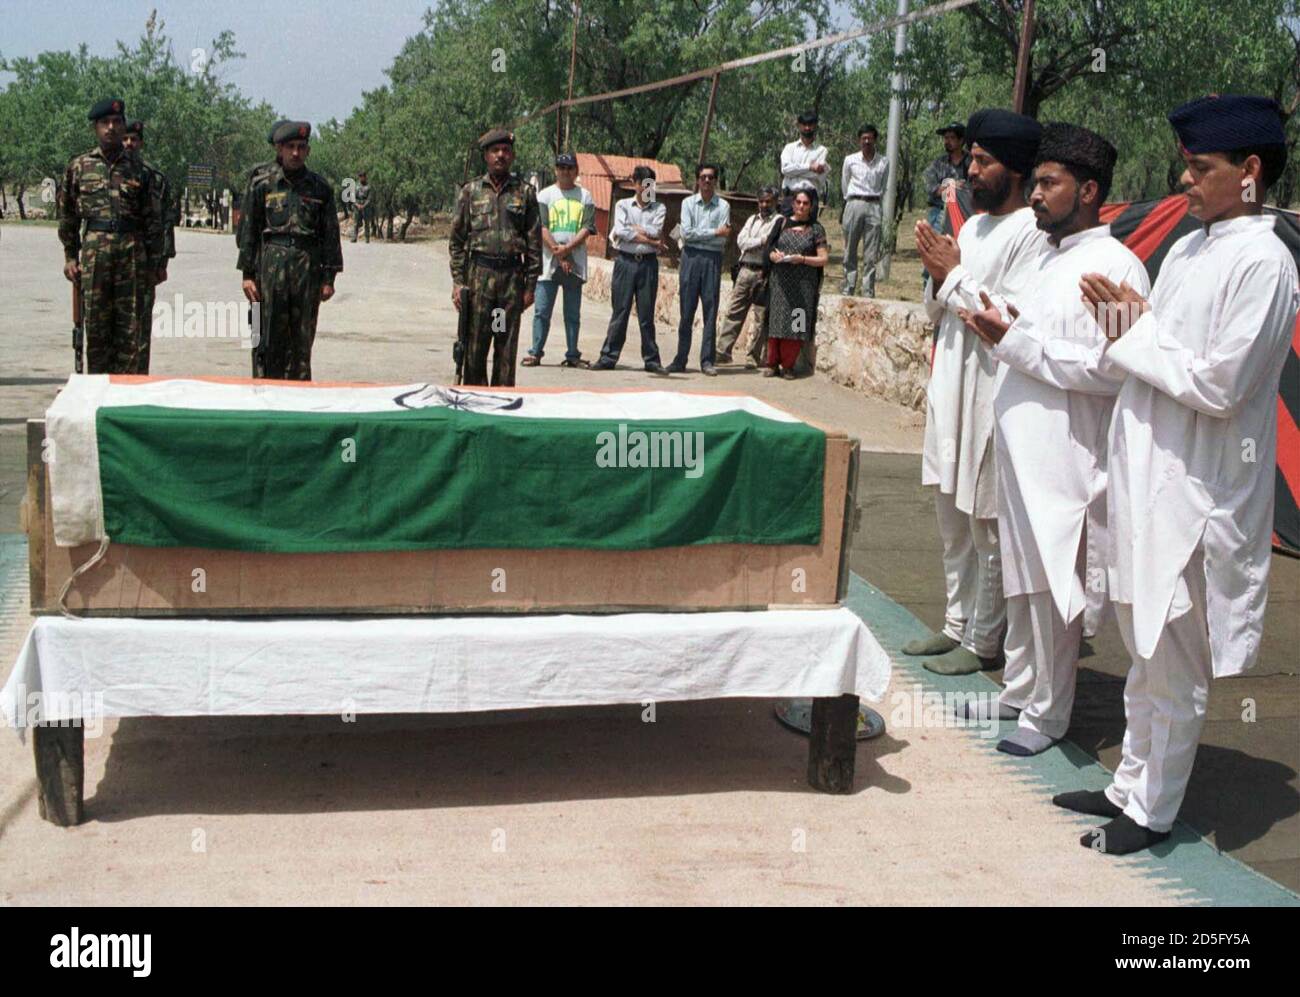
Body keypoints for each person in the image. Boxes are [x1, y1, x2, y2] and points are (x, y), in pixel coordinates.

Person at [1053, 95, 1299, 855]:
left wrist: (1135, 330)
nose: (1184, 182)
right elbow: (1153, 354)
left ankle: (1153, 809)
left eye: (1201, 168)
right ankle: (1129, 780)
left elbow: (1221, 386)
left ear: (1250, 171)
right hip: (1148, 479)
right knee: (1144, 650)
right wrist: (1131, 334)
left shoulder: (1266, 262)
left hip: (1199, 491)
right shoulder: (1193, 247)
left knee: (1177, 655)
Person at [958, 123, 1149, 756]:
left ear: (1089, 190)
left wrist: (1012, 341)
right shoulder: (1048, 257)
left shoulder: (1118, 267)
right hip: (1021, 444)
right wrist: (1002, 325)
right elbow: (1033, 337)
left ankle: (1049, 714)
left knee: (1055, 585)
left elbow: (1112, 370)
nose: (1035, 195)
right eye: (1034, 182)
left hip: (1069, 454)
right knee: (1022, 576)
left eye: (1049, 183)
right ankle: (1017, 690)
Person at [910, 108, 1046, 675]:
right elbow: (936, 305)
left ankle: (985, 639)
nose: (970, 169)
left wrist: (954, 276)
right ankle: (956, 623)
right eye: (970, 158)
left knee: (984, 518)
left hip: (991, 388)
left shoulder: (1031, 235)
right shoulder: (970, 227)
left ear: (1013, 170)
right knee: (949, 509)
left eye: (983, 161)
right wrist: (940, 272)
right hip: (951, 378)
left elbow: (1001, 317)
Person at [58, 97, 164, 374]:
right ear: (95, 127)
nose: (111, 128)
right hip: (95, 259)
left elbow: (154, 221)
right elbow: (67, 215)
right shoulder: (79, 167)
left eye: (117, 122)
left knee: (133, 332)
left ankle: (131, 400)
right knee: (96, 329)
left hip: (133, 258)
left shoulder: (141, 171)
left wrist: (157, 264)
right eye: (105, 123)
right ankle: (97, 396)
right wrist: (70, 255)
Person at [236, 120, 343, 380]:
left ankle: (298, 403)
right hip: (269, 272)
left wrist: (329, 279)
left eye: (301, 147)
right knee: (264, 339)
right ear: (279, 149)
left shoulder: (320, 188)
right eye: (290, 147)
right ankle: (263, 397)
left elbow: (330, 235)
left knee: (301, 343)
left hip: (307, 273)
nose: (296, 153)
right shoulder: (262, 183)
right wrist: (247, 274)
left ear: (308, 151)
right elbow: (248, 231)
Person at [449, 128, 541, 386]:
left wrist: (530, 286)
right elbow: (456, 242)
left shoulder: (524, 193)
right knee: (475, 349)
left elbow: (534, 242)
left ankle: (501, 407)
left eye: (506, 151)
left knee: (504, 348)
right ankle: (475, 407)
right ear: (486, 156)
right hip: (479, 281)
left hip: (509, 284)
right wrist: (458, 282)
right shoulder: (470, 192)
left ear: (512, 156)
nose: (501, 155)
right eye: (495, 151)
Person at [523, 152, 596, 369]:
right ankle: (535, 352)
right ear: (556, 170)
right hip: (548, 263)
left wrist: (568, 250)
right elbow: (541, 227)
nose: (565, 172)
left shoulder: (585, 196)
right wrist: (559, 252)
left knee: (572, 314)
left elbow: (587, 228)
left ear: (576, 171)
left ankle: (572, 354)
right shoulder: (544, 195)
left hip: (575, 263)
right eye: (561, 168)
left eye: (569, 168)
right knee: (542, 311)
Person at [593, 166, 667, 374]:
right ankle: (608, 356)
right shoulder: (623, 204)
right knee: (620, 311)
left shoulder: (659, 208)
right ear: (634, 183)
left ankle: (652, 360)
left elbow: (656, 230)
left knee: (646, 313)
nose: (646, 188)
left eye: (650, 184)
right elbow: (621, 231)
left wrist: (637, 231)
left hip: (648, 264)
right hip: (625, 262)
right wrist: (650, 240)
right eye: (643, 183)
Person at [122, 119, 176, 374]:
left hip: (144, 263)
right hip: (112, 261)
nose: (129, 144)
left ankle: (138, 380)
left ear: (141, 143)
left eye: (134, 139)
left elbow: (166, 222)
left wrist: (161, 263)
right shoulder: (106, 174)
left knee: (140, 328)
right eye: (125, 139)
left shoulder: (155, 178)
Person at [668, 163, 730, 376]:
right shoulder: (687, 203)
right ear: (697, 180)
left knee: (710, 312)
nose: (706, 181)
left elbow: (721, 241)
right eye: (703, 177)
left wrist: (702, 234)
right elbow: (687, 234)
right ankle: (680, 359)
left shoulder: (724, 206)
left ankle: (707, 361)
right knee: (686, 311)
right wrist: (714, 232)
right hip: (690, 258)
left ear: (715, 180)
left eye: (711, 177)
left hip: (712, 260)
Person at [763, 189, 828, 379]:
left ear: (810, 206)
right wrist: (773, 255)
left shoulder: (816, 229)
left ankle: (789, 365)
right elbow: (769, 248)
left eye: (805, 203)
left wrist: (803, 259)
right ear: (793, 204)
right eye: (798, 202)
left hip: (803, 287)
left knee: (796, 325)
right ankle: (772, 363)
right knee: (776, 322)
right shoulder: (781, 223)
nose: (801, 206)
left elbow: (823, 258)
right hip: (779, 285)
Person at [716, 186, 781, 367]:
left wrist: (758, 242)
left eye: (768, 201)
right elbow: (741, 241)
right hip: (745, 270)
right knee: (734, 312)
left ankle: (753, 356)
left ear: (775, 201)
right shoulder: (752, 219)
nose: (764, 204)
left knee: (760, 316)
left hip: (764, 272)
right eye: (761, 201)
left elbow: (770, 242)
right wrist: (759, 241)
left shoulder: (779, 221)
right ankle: (722, 351)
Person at [839, 124, 889, 297]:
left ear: (875, 139)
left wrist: (874, 200)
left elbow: (883, 185)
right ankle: (848, 287)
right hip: (854, 203)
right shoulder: (850, 160)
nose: (867, 141)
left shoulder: (884, 162)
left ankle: (868, 290)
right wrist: (851, 200)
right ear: (859, 140)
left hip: (874, 205)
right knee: (850, 248)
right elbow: (845, 184)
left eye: (870, 138)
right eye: (863, 138)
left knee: (871, 252)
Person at [236, 120, 289, 249]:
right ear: (275, 147)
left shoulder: (309, 180)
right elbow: (248, 222)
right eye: (283, 145)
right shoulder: (261, 175)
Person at [922, 122, 970, 231]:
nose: (947, 141)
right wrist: (953, 186)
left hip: (965, 213)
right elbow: (931, 188)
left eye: (952, 138)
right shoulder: (938, 163)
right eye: (946, 138)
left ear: (961, 140)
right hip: (940, 213)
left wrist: (947, 188)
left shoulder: (971, 162)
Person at [779, 111, 829, 214]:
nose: (807, 128)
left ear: (815, 126)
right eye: (804, 125)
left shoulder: (822, 150)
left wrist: (795, 170)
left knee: (809, 229)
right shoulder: (789, 148)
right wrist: (809, 167)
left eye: (810, 125)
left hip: (810, 198)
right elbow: (785, 170)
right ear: (799, 126)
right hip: (790, 197)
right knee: (786, 229)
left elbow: (816, 175)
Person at [351, 171, 372, 243]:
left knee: (366, 223)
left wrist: (363, 205)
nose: (361, 178)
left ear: (365, 177)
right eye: (360, 177)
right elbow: (353, 197)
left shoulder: (368, 187)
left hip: (365, 206)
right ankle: (354, 237)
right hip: (357, 205)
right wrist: (357, 204)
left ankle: (367, 238)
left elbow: (369, 199)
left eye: (362, 176)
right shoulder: (356, 186)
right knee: (355, 222)